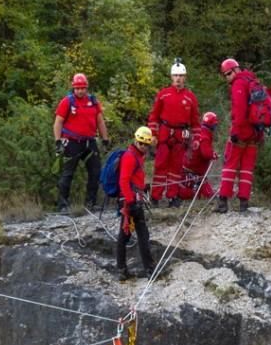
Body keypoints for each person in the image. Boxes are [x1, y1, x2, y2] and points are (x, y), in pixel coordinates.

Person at [216, 58, 267, 213]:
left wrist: (236, 132)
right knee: (247, 168)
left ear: (236, 70)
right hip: (255, 132)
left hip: (242, 131)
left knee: (230, 166)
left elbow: (239, 109)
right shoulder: (253, 80)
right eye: (225, 75)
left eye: (229, 73)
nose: (228, 77)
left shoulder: (239, 83)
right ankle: (244, 202)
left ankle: (223, 202)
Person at [147, 60, 201, 208]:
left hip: (181, 135)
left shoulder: (190, 97)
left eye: (181, 76)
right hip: (164, 133)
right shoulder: (163, 95)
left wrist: (196, 138)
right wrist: (153, 134)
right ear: (171, 77)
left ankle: (173, 196)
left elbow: (195, 121)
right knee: (160, 166)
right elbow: (154, 116)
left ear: (185, 77)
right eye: (176, 75)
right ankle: (155, 197)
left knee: (176, 168)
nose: (178, 78)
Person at [53, 73, 109, 213]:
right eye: (77, 88)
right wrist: (58, 141)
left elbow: (100, 121)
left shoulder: (93, 101)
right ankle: (63, 204)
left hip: (89, 142)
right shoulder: (67, 102)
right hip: (71, 142)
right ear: (73, 88)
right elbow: (58, 122)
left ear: (86, 87)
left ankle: (90, 203)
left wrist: (105, 138)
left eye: (82, 88)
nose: (80, 91)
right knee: (68, 173)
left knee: (95, 171)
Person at [117, 126, 157, 281]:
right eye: (141, 143)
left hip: (133, 200)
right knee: (130, 235)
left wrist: (142, 187)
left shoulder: (138, 156)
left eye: (146, 145)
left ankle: (128, 269)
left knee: (135, 235)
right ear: (136, 140)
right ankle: (144, 269)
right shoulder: (130, 156)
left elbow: (134, 178)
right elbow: (124, 181)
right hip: (129, 203)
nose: (144, 147)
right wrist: (130, 201)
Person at [179, 112, 219, 200]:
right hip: (193, 173)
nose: (216, 127)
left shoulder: (198, 132)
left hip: (189, 170)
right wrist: (213, 155)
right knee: (195, 194)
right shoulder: (205, 137)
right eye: (215, 125)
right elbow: (206, 153)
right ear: (212, 125)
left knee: (204, 192)